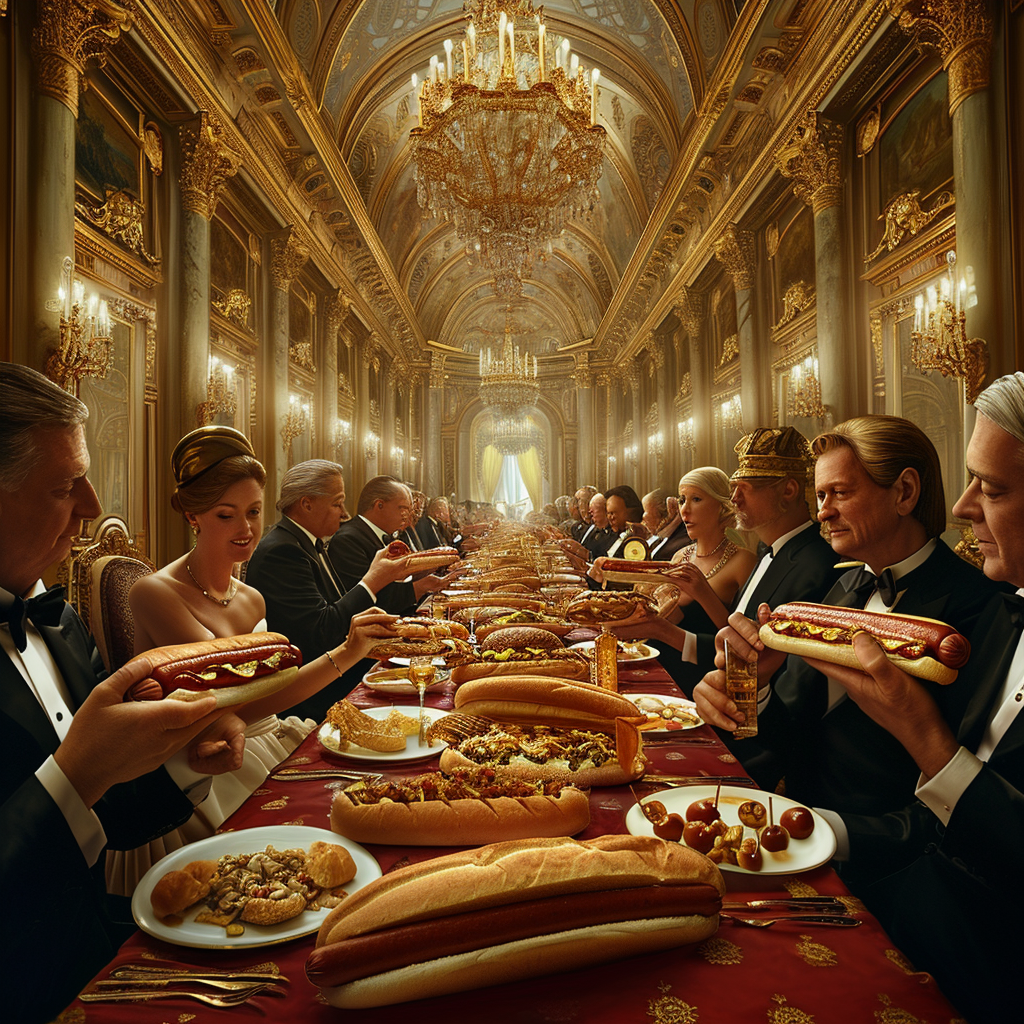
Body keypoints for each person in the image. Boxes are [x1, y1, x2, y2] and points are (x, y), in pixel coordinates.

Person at [0, 364, 245, 1022]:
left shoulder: (56, 616)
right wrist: (75, 774)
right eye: (63, 486)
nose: (90, 504)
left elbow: (114, 819)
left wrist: (180, 754)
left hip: (94, 959)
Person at [694, 416, 1004, 833]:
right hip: (791, 819)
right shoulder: (842, 584)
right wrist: (754, 689)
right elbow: (791, 726)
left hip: (887, 853)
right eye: (820, 495)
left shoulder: (980, 605)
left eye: (839, 493)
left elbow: (962, 787)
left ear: (905, 492)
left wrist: (832, 834)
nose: (823, 512)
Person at [122, 429, 399, 891]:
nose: (246, 529)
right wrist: (345, 653)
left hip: (271, 736)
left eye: (253, 512)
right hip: (202, 767)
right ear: (193, 515)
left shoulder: (250, 597)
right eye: (226, 515)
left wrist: (352, 651)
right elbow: (222, 709)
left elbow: (272, 694)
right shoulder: (156, 593)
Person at [329, 475, 452, 615]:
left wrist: (422, 572)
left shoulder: (384, 535)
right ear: (379, 505)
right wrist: (421, 587)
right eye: (403, 508)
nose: (407, 516)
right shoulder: (348, 540)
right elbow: (364, 601)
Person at [582, 493, 616, 558]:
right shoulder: (594, 530)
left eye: (592, 512)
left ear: (605, 510)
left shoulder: (614, 533)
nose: (590, 516)